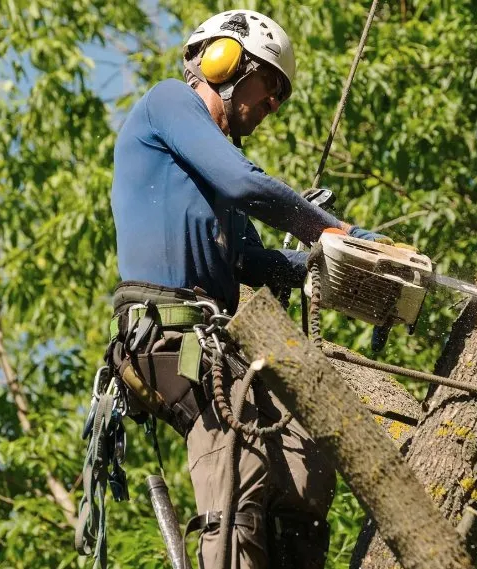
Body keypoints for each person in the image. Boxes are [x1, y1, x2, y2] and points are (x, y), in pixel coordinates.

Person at [108, 9, 387, 569]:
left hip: (214, 343)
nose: (272, 105)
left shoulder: (214, 182)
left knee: (307, 463)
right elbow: (244, 182)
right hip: (170, 334)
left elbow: (257, 261)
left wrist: (327, 260)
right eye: (271, 86)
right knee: (244, 458)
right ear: (226, 62)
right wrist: (332, 229)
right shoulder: (169, 104)